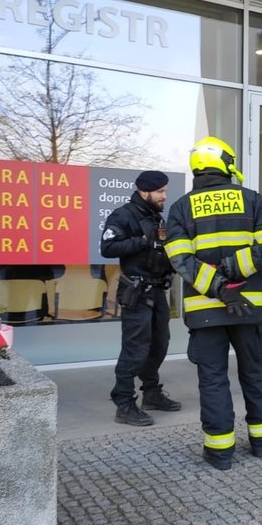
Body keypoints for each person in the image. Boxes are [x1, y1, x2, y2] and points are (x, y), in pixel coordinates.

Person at [165, 136, 262, 470]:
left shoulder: (181, 207)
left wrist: (217, 285)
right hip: (248, 306)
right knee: (254, 372)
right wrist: (232, 277)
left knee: (213, 379)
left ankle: (220, 452)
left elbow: (181, 260)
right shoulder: (253, 200)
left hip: (206, 312)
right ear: (225, 163)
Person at [100, 170, 180, 426]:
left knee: (159, 345)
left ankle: (152, 394)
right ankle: (124, 403)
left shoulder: (157, 218)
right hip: (137, 291)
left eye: (165, 191)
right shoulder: (124, 214)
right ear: (144, 191)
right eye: (160, 192)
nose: (164, 196)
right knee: (135, 350)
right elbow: (108, 248)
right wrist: (142, 241)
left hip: (157, 291)